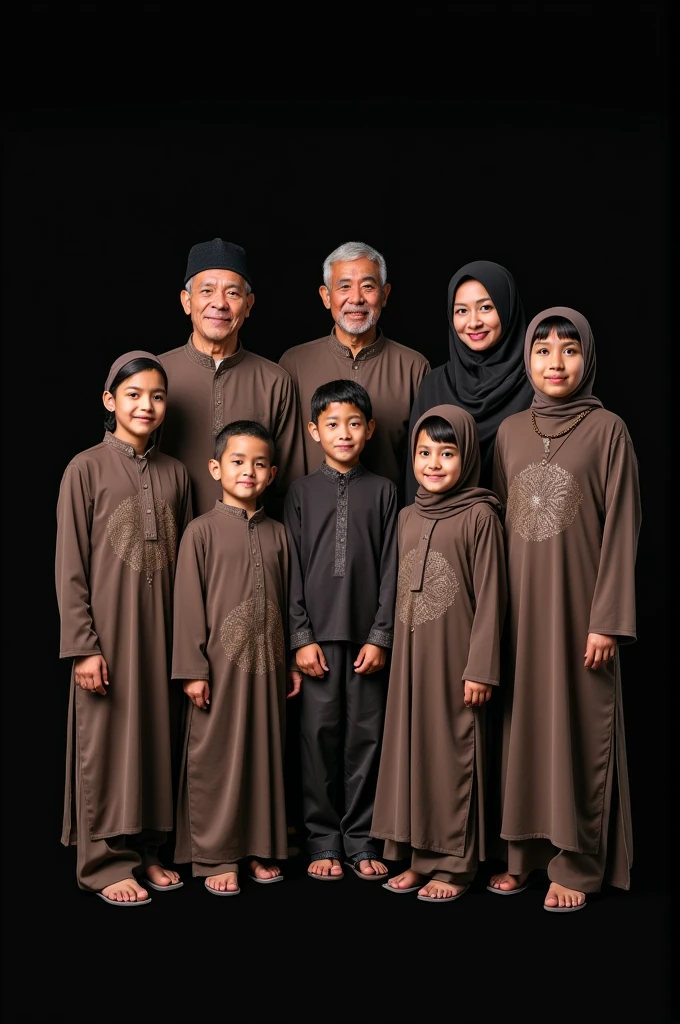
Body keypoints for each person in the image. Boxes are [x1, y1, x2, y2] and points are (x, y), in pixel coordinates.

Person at [488, 307, 641, 912]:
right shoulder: (509, 432)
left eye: (569, 350)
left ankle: (577, 865)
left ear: (587, 358)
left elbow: (623, 527)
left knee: (578, 727)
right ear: (526, 359)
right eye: (543, 350)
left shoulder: (609, 431)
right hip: (522, 609)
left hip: (581, 610)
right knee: (524, 728)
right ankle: (525, 855)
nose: (556, 363)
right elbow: (498, 525)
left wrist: (607, 618)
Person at [55, 350, 193, 906]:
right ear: (110, 402)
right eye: (133, 395)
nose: (146, 405)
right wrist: (83, 646)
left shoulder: (176, 474)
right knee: (106, 744)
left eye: (157, 396)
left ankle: (149, 851)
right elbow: (70, 565)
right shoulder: (84, 468)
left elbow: (186, 564)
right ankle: (104, 861)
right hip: (107, 636)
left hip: (161, 632)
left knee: (157, 739)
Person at [370, 405, 507, 902]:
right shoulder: (408, 516)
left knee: (453, 754)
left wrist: (482, 668)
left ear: (467, 456)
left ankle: (452, 865)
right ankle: (413, 855)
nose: (433, 463)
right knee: (411, 752)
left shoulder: (481, 515)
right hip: (411, 659)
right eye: (424, 452)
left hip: (457, 662)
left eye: (447, 453)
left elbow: (493, 596)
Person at [172, 420, 298, 895]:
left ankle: (258, 848)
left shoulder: (280, 535)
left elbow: (288, 606)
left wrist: (288, 663)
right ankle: (216, 855)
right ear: (215, 467)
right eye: (238, 461)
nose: (248, 471)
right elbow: (187, 607)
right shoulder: (200, 533)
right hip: (216, 672)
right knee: (216, 756)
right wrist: (192, 670)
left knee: (265, 754)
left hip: (267, 670)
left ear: (272, 473)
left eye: (259, 464)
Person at [284, 380, 398, 881]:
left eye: (354, 423)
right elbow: (287, 569)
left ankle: (363, 837)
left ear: (370, 429)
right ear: (314, 431)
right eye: (332, 424)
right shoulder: (300, 492)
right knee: (317, 740)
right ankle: (322, 840)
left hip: (367, 641)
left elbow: (394, 567)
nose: (344, 433)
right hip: (316, 644)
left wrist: (381, 635)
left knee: (367, 739)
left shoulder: (386, 490)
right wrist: (299, 637)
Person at [157, 237, 305, 519]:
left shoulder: (275, 381)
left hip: (251, 546)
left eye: (233, 294)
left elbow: (289, 484)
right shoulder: (156, 376)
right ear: (187, 302)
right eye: (207, 291)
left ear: (248, 305)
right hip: (169, 543)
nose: (220, 304)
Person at [279, 240, 430, 504]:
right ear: (326, 296)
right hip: (310, 523)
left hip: (390, 524)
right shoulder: (293, 364)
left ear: (385, 294)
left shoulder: (414, 367)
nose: (357, 298)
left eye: (368, 286)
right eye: (344, 286)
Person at [406, 260, 533, 498]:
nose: (473, 322)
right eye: (461, 311)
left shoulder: (536, 385)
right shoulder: (434, 385)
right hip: (449, 532)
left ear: (507, 309)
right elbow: (416, 483)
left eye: (486, 308)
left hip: (521, 530)